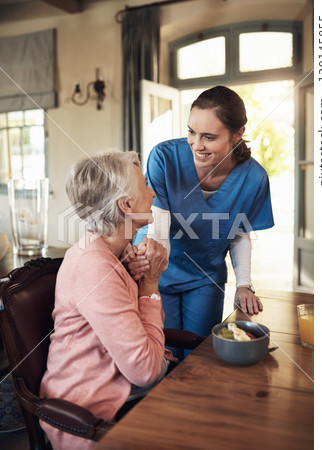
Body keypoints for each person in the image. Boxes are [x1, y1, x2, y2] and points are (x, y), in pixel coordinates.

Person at [123, 85, 274, 359]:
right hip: (155, 269)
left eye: (209, 137)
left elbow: (238, 233)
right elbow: (158, 226)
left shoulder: (254, 178)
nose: (196, 144)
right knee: (160, 354)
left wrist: (244, 283)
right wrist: (151, 274)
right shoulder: (165, 158)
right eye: (191, 132)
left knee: (200, 355)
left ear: (237, 134)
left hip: (205, 277)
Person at [39, 150, 171, 450]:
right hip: (91, 416)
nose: (152, 191)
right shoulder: (95, 266)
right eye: (145, 185)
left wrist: (134, 277)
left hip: (123, 391)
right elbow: (147, 370)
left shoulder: (109, 252)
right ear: (125, 205)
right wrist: (150, 286)